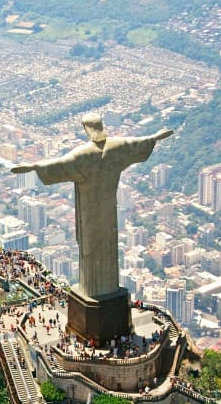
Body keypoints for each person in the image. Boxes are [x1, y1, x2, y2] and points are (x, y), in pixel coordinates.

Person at [11, 114, 172, 299]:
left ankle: (92, 290)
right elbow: (136, 143)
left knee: (91, 248)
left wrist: (33, 166)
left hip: (89, 211)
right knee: (108, 245)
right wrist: (155, 137)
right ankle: (109, 288)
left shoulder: (83, 154)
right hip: (109, 210)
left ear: (87, 128)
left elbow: (59, 165)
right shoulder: (117, 147)